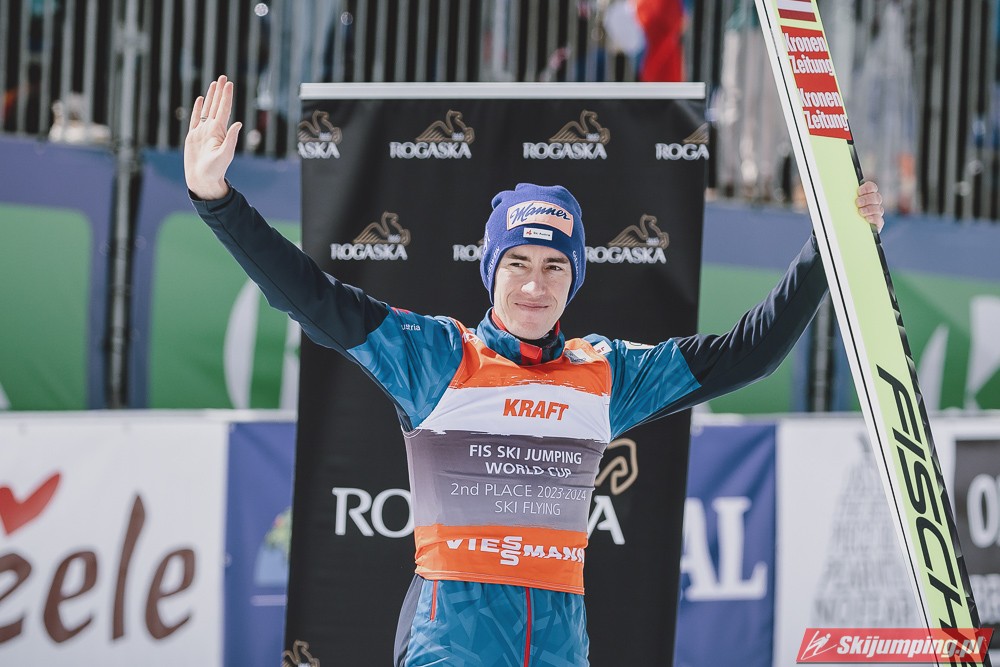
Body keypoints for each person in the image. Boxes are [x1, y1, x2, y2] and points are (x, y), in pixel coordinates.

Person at [185, 75, 885, 667]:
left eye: (554, 266)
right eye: (517, 262)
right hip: (447, 651)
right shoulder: (439, 357)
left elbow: (749, 352)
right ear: (491, 270)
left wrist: (827, 248)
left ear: (574, 279)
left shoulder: (604, 373)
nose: (533, 284)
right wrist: (217, 201)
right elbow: (311, 298)